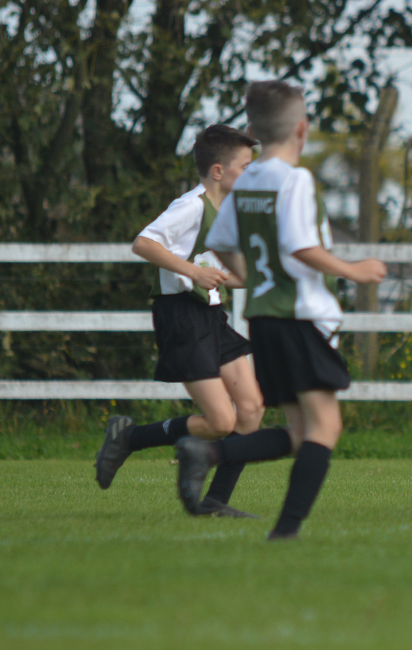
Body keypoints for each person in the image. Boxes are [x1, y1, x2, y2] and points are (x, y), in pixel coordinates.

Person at [175, 80, 388, 540]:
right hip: (300, 316)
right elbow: (301, 246)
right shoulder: (295, 179)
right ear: (302, 130)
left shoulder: (247, 178)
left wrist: (251, 276)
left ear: (252, 128)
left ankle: (210, 454)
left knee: (298, 432)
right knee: (325, 427)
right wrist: (354, 270)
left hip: (265, 319)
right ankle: (285, 531)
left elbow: (219, 241)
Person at [94, 125, 265, 518]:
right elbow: (144, 242)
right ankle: (131, 438)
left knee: (252, 408)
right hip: (181, 318)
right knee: (222, 421)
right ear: (219, 171)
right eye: (245, 167)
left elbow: (225, 272)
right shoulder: (191, 206)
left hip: (210, 314)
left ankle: (216, 500)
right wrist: (192, 271)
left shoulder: (230, 211)